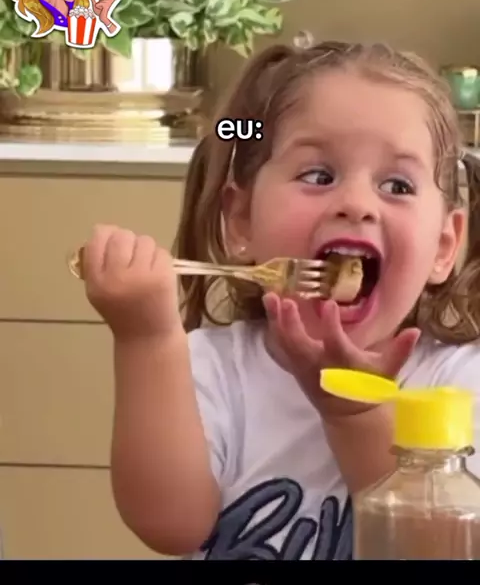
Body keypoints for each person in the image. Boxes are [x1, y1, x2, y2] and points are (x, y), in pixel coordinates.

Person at [81, 40, 480, 561]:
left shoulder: (460, 383)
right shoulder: (211, 370)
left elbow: (446, 552)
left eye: (397, 185)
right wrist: (146, 340)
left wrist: (353, 413)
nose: (357, 203)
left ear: (445, 245)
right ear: (241, 220)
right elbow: (170, 526)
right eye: (318, 176)